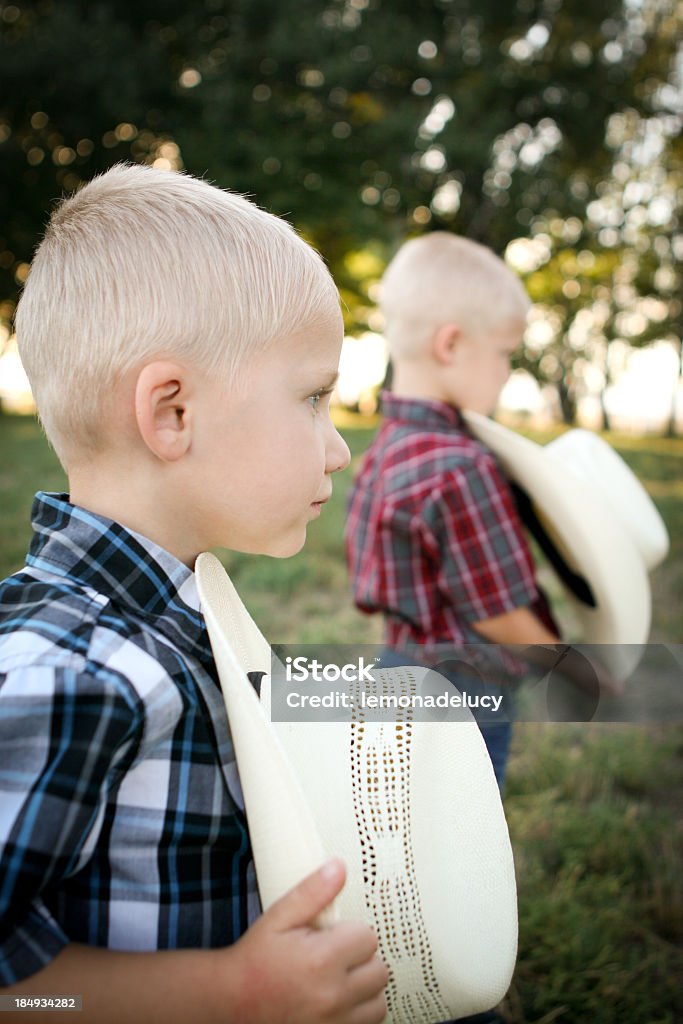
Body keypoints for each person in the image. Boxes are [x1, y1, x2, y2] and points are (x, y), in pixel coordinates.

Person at [0, 164, 389, 1023]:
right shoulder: (73, 674)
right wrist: (230, 995)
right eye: (314, 398)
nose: (339, 450)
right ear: (171, 413)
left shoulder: (176, 611)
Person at [345, 232, 563, 793]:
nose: (507, 371)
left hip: (395, 666)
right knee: (467, 836)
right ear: (451, 345)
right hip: (465, 690)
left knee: (404, 822)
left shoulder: (386, 445)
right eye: (504, 353)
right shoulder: (462, 466)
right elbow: (496, 612)